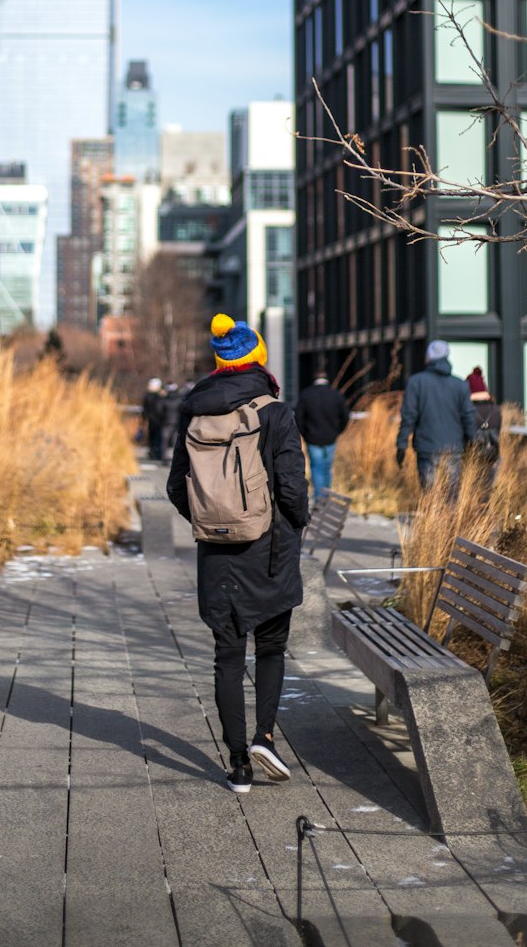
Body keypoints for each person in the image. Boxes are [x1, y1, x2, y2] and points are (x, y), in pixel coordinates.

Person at [167, 314, 309, 795]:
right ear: (259, 358)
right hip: (269, 549)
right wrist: (297, 526)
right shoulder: (276, 412)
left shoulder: (194, 412)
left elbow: (174, 487)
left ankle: (237, 765)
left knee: (227, 658)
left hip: (217, 557)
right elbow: (291, 487)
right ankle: (264, 737)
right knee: (270, 648)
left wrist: (210, 523)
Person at [396, 340, 477, 496]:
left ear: (428, 358)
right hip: (454, 448)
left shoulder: (416, 382)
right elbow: (468, 416)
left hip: (427, 448)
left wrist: (401, 445)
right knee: (451, 498)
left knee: (430, 497)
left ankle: (433, 520)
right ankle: (450, 521)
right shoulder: (460, 385)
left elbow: (408, 417)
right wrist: (474, 441)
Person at [294, 369, 350, 501]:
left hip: (312, 438)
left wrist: (305, 434)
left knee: (316, 467)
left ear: (314, 379)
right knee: (327, 467)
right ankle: (326, 494)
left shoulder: (306, 395)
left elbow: (298, 418)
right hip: (331, 437)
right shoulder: (336, 395)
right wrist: (338, 431)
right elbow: (346, 416)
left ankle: (320, 497)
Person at [466, 366, 502, 479]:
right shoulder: (496, 410)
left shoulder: (468, 411)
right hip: (492, 456)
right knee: (487, 489)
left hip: (470, 458)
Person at [141, 377, 166, 461]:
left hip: (153, 419)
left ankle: (153, 452)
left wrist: (144, 419)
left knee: (153, 437)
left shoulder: (149, 395)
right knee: (157, 437)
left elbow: (145, 409)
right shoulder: (161, 395)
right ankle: (155, 452)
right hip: (157, 419)